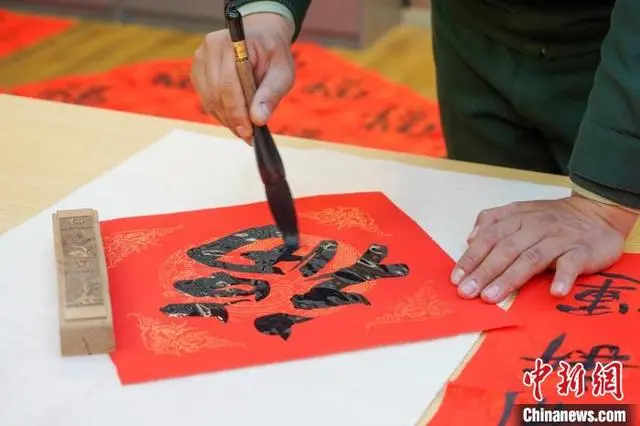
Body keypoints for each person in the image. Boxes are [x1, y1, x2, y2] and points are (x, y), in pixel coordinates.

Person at [190, 0, 639, 304]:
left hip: (619, 47)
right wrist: (266, 14)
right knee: (484, 236)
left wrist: (604, 206)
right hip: (473, 29)